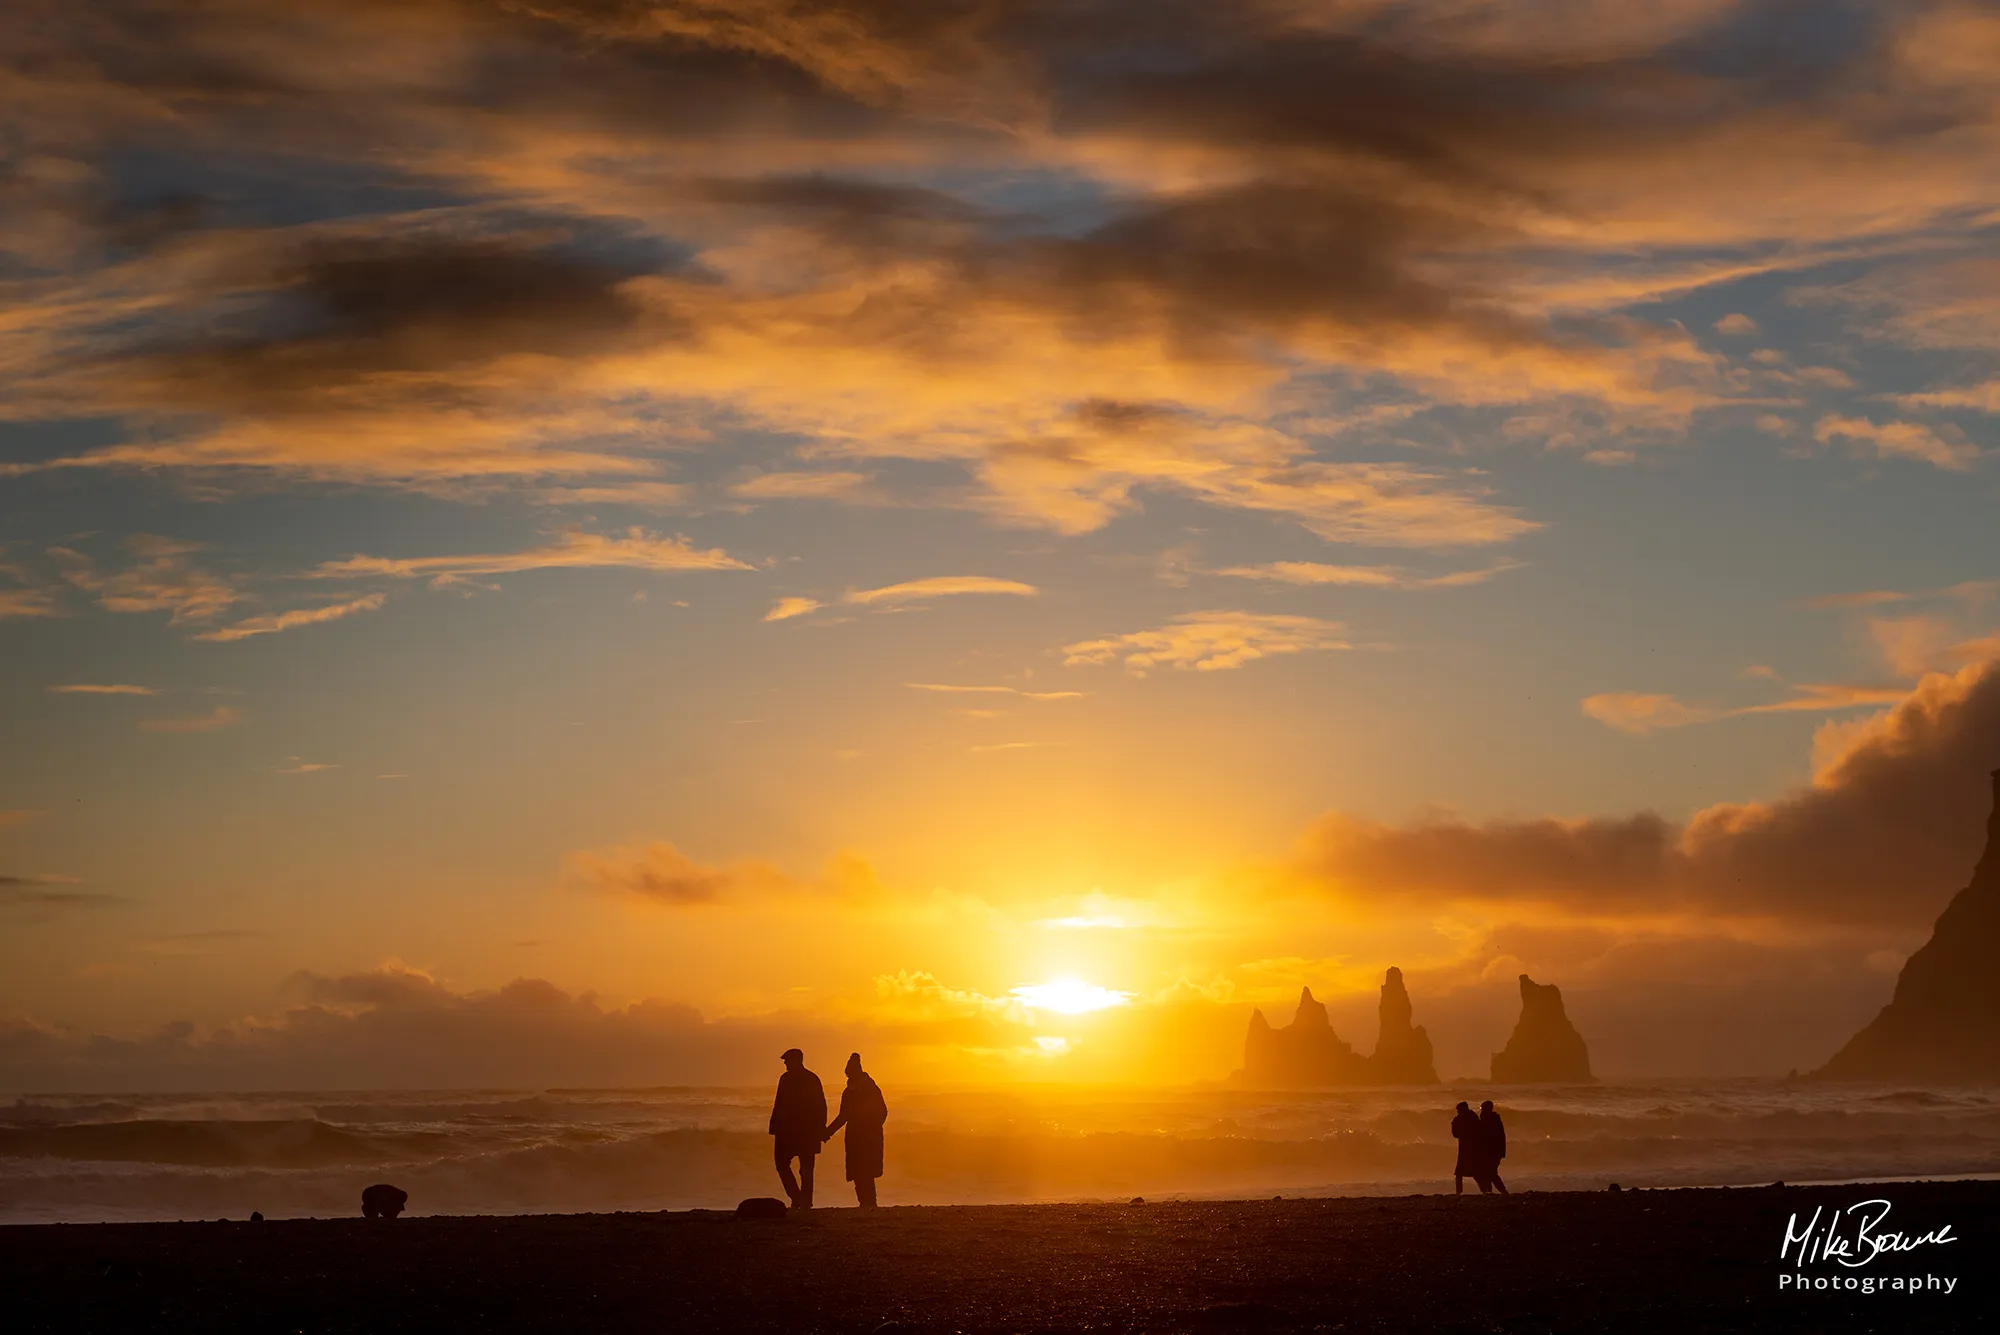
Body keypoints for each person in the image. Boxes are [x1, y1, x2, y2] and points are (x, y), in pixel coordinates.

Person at [823, 1051, 889, 1207]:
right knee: (858, 1173)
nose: (849, 1079)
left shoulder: (871, 1089)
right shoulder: (849, 1092)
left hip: (868, 1138)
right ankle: (865, 1203)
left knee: (866, 1172)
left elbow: (882, 1112)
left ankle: (870, 1204)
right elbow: (843, 1116)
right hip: (854, 1138)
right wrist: (828, 1132)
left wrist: (870, 1128)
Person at [769, 1048, 827, 1209]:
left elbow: (820, 1106)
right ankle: (799, 1198)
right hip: (791, 1131)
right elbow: (779, 1104)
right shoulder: (788, 1078)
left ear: (796, 1061)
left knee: (805, 1169)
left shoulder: (809, 1079)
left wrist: (820, 1128)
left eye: (787, 1061)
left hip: (802, 1131)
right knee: (785, 1164)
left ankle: (803, 1200)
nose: (785, 1064)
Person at [1450, 1100, 1488, 1195]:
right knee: (1469, 1173)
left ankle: (1482, 1191)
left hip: (1471, 1149)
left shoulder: (1469, 1118)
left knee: (1471, 1172)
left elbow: (1456, 1134)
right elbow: (1456, 1134)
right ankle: (1483, 1191)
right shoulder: (1471, 1117)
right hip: (1467, 1149)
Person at [1479, 1099, 1509, 1195]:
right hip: (1489, 1151)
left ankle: (1502, 1191)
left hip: (1493, 1151)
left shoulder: (1492, 1120)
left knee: (1491, 1172)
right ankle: (1490, 1191)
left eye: (1483, 1108)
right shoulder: (1489, 1119)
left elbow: (1497, 1137)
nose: (1481, 1110)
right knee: (1488, 1171)